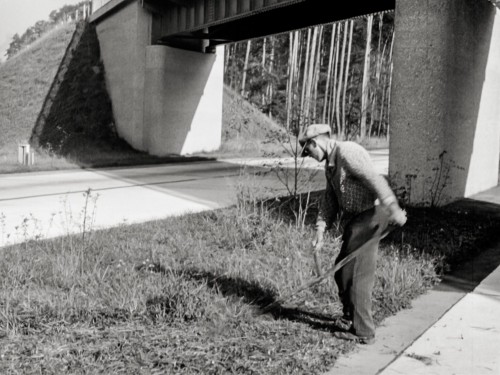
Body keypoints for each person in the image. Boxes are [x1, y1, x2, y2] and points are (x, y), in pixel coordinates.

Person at [299, 124, 407, 345]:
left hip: (370, 217)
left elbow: (375, 180)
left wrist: (393, 208)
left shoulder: (348, 152)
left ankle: (363, 331)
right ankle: (351, 316)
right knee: (342, 272)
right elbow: (330, 200)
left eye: (309, 151)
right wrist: (320, 229)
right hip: (356, 222)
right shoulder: (330, 164)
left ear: (314, 142)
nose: (310, 156)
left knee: (358, 275)